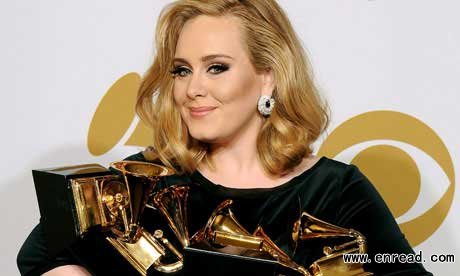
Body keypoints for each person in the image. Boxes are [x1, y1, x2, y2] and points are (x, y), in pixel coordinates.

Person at [17, 0, 432, 275]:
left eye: (216, 67)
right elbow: (40, 255)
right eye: (181, 70)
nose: (192, 88)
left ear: (267, 78)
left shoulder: (337, 191)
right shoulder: (146, 180)